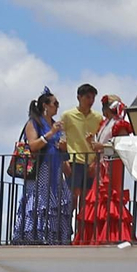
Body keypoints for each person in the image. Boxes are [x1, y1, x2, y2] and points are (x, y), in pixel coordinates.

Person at [11, 89, 72, 246]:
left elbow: (63, 150)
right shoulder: (34, 123)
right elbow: (33, 145)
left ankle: (54, 236)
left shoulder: (56, 125)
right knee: (39, 204)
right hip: (40, 171)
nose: (57, 107)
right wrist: (50, 134)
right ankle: (35, 236)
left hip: (56, 170)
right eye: (55, 104)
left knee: (57, 203)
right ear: (45, 106)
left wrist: (63, 146)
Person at [75, 95, 134, 246]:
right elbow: (102, 146)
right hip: (102, 166)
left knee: (110, 195)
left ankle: (112, 234)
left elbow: (122, 145)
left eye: (105, 106)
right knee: (98, 197)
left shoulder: (119, 124)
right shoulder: (105, 124)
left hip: (113, 164)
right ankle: (98, 234)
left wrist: (101, 146)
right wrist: (93, 144)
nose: (103, 110)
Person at [60, 84, 103, 239]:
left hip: (90, 162)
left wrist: (95, 163)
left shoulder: (98, 118)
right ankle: (65, 231)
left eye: (92, 97)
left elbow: (100, 140)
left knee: (86, 201)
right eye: (87, 97)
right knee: (72, 198)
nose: (90, 101)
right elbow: (61, 138)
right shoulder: (68, 116)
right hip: (74, 160)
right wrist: (64, 161)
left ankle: (82, 235)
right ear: (79, 97)